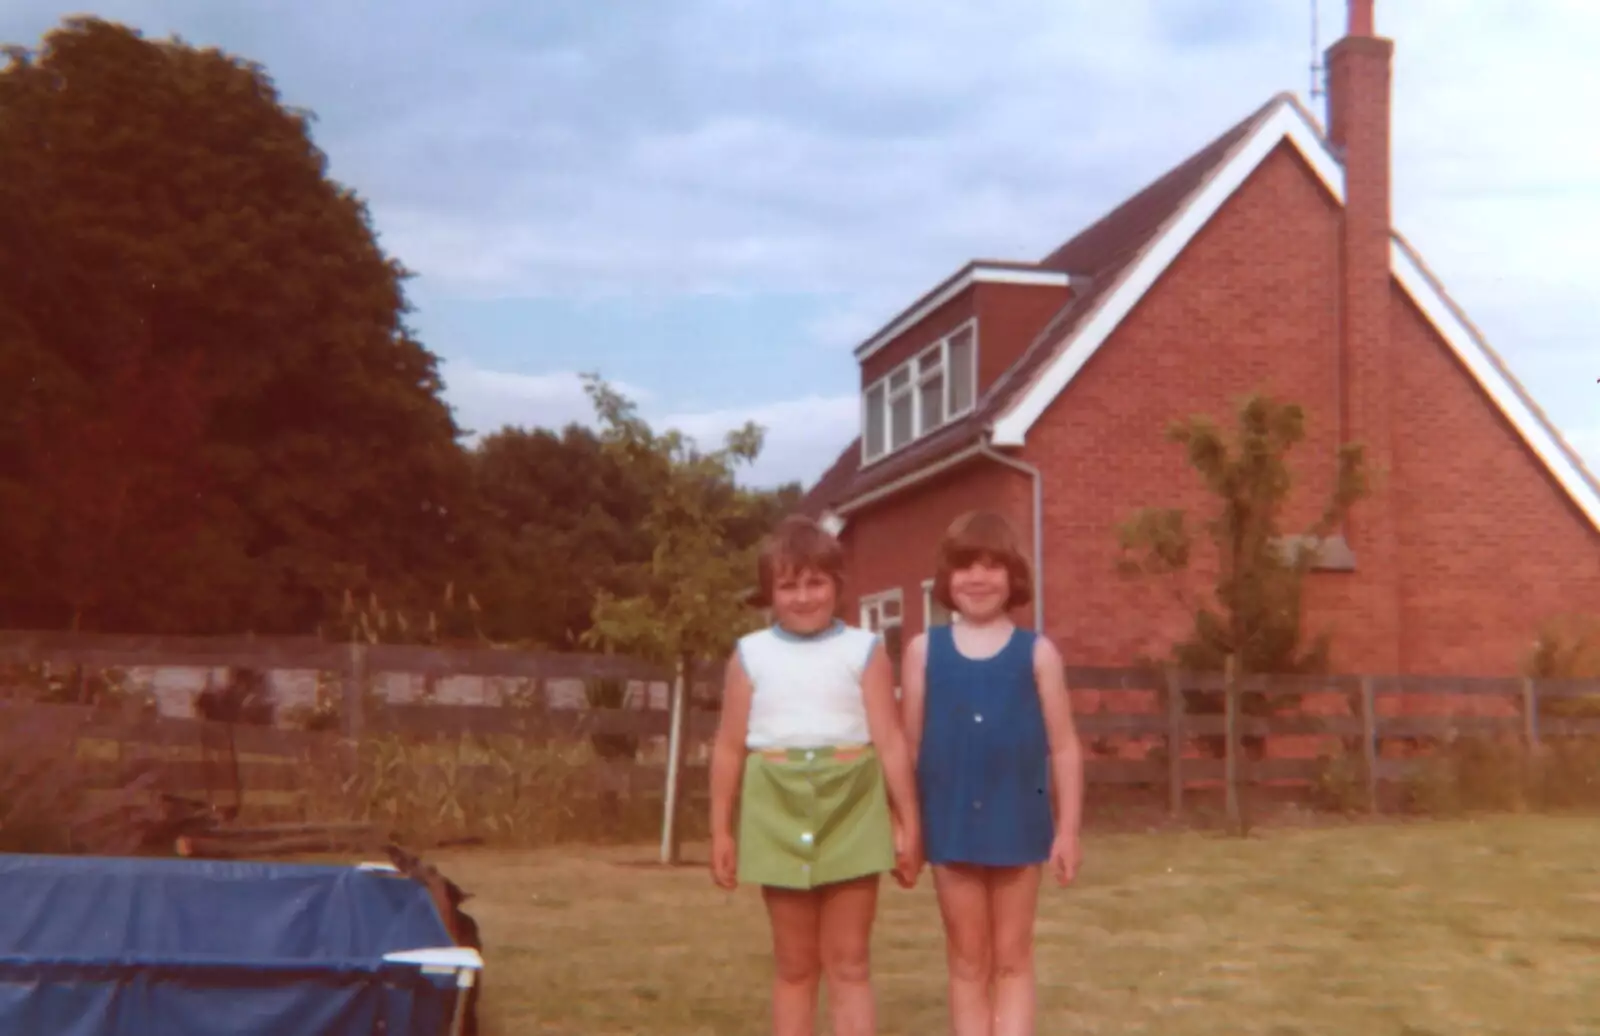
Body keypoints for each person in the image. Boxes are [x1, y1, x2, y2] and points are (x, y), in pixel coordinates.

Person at [709, 514, 923, 1036]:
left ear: (837, 586)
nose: (803, 597)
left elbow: (890, 741)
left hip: (851, 807)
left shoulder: (863, 650)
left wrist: (908, 822)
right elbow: (729, 748)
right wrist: (720, 828)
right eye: (788, 586)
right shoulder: (749, 655)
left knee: (849, 963)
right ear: (769, 593)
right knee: (795, 965)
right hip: (775, 808)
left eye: (815, 582)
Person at [900, 510, 1084, 1036]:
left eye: (991, 566)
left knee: (1012, 958)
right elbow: (909, 747)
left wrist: (1067, 829)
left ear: (1013, 576)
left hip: (1018, 823)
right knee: (966, 959)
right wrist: (907, 827)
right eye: (964, 567)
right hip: (949, 823)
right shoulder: (922, 652)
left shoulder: (1038, 653)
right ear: (945, 579)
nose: (978, 579)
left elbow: (1065, 746)